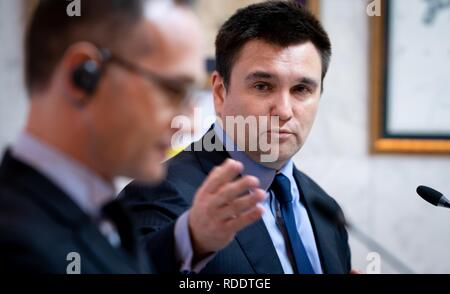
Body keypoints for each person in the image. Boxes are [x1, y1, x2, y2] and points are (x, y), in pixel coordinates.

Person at [0, 0, 265, 274]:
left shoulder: (100, 212)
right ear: (83, 76)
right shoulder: (18, 246)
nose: (186, 123)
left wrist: (191, 237)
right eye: (173, 90)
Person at [120, 0, 352, 274]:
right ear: (219, 92)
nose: (284, 111)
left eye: (301, 89)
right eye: (263, 86)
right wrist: (191, 238)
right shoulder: (158, 192)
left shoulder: (326, 209)